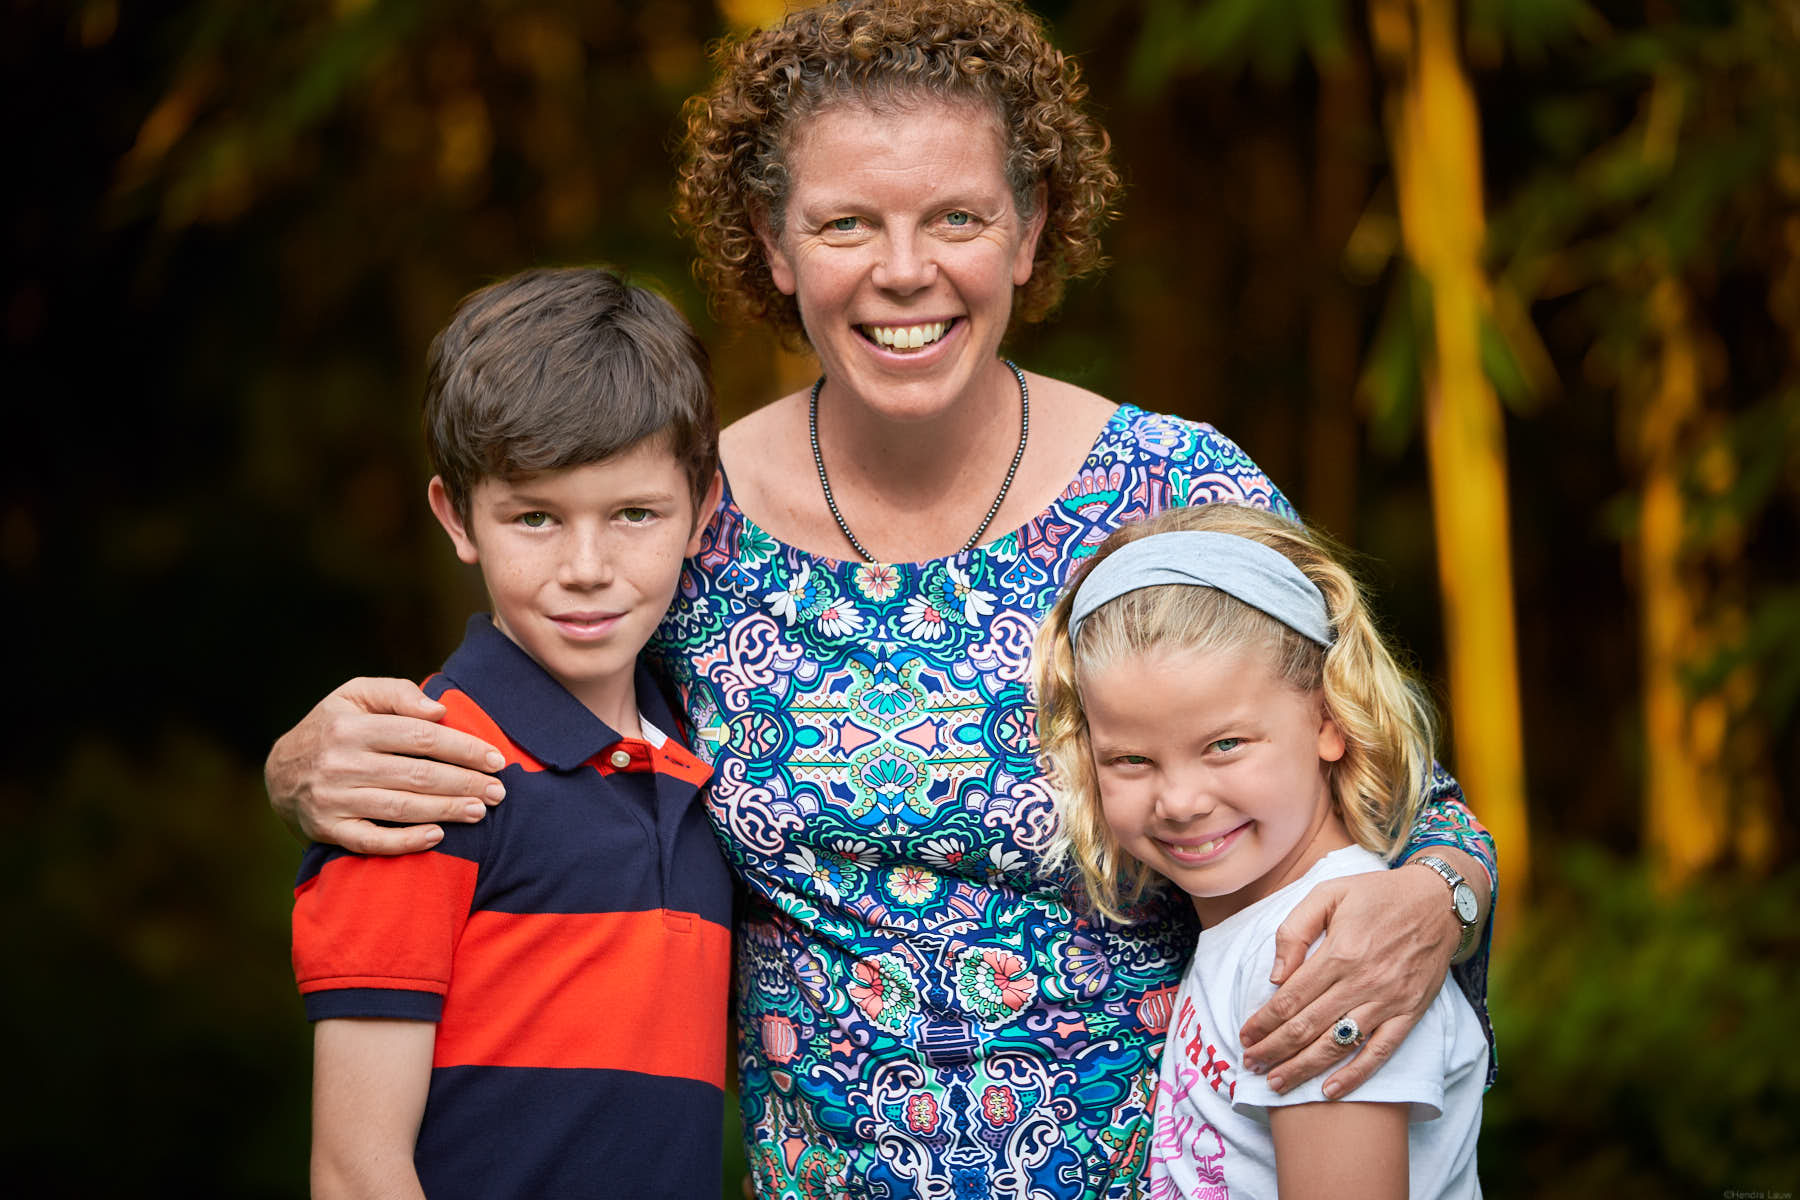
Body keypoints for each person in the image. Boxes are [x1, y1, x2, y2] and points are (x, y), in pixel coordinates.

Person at [265, 2, 1498, 1195]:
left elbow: (1400, 793)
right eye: (846, 223)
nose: (904, 273)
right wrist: (301, 767)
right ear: (773, 243)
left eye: (956, 216)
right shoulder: (688, 516)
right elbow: (532, 741)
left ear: (1028, 233)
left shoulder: (1172, 491)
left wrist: (1437, 899)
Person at [291, 267, 731, 1200]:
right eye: (534, 517)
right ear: (458, 518)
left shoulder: (706, 761)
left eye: (633, 515)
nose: (586, 568)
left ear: (701, 507)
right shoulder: (420, 778)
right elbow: (355, 1169)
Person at [1034, 502, 1485, 1199]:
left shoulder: (1317, 952)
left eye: (1225, 745)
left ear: (1329, 720)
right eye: (1130, 759)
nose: (1179, 800)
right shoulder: (1256, 931)